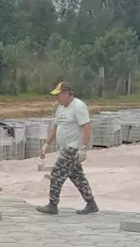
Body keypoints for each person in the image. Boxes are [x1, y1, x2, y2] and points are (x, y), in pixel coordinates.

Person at [36, 82, 98, 215]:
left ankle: (53, 205)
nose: (56, 98)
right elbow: (55, 127)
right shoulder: (60, 108)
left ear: (67, 93)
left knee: (57, 173)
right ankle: (91, 204)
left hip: (73, 148)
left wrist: (83, 148)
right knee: (77, 177)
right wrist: (46, 144)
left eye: (58, 95)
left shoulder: (78, 107)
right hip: (64, 147)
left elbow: (87, 128)